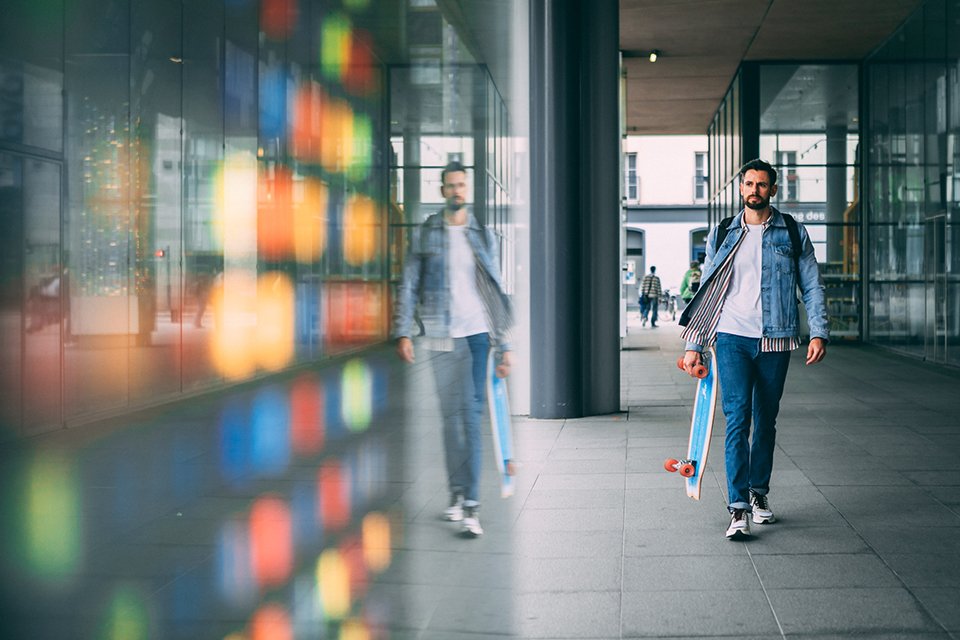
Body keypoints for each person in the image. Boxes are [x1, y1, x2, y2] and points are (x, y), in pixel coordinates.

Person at [678, 158, 828, 541]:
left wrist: (819, 332)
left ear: (772, 190)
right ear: (740, 188)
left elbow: (811, 285)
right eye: (749, 183)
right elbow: (707, 288)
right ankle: (737, 507)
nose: (754, 190)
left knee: (766, 419)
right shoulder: (723, 232)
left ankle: (758, 493)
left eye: (762, 185)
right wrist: (695, 344)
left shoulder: (792, 232)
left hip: (776, 338)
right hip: (731, 337)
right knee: (737, 417)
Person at [393, 161, 513, 538]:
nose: (457, 191)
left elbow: (494, 287)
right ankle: (457, 493)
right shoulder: (428, 231)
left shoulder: (482, 233)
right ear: (442, 190)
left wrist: (504, 343)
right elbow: (409, 283)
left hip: (478, 336)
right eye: (450, 186)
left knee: (471, 416)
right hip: (442, 336)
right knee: (449, 420)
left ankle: (472, 506)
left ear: (467, 188)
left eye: (461, 185)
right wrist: (404, 331)